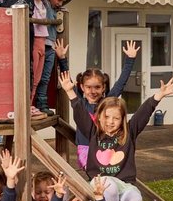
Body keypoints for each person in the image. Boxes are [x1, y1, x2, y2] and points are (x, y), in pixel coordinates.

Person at [60, 71, 173, 201]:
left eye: (116, 118)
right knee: (108, 183)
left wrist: (159, 95)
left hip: (124, 184)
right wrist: (70, 92)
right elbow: (79, 113)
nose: (110, 122)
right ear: (99, 118)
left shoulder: (128, 133)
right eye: (106, 117)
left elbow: (143, 113)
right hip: (100, 184)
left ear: (122, 119)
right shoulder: (93, 132)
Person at [54, 38, 139, 170]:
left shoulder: (107, 103)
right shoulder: (79, 101)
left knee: (107, 176)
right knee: (94, 174)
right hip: (85, 149)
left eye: (97, 87)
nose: (93, 91)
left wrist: (130, 59)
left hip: (104, 147)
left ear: (103, 88)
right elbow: (67, 80)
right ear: (82, 87)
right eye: (88, 87)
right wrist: (62, 58)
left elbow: (121, 83)